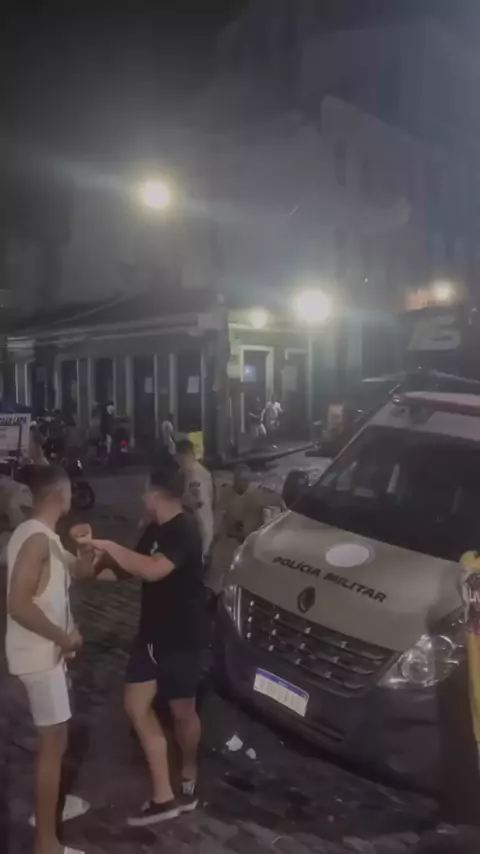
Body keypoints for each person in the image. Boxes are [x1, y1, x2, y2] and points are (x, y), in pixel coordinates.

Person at [91, 463, 209, 826]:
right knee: (136, 706)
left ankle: (188, 770)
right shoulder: (155, 528)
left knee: (182, 713)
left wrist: (110, 545)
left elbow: (155, 569)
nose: (142, 497)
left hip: (182, 638)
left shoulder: (185, 528)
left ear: (156, 494)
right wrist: (87, 568)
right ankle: (163, 796)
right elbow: (131, 568)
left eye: (145, 491)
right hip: (151, 637)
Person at [6, 466, 96, 854]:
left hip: (48, 656)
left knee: (56, 740)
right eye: (70, 491)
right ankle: (46, 842)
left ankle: (52, 804)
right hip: (41, 658)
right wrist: (64, 638)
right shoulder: (36, 541)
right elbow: (17, 605)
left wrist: (86, 546)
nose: (73, 496)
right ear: (60, 495)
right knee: (53, 743)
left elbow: (82, 571)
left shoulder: (45, 537)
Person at [175, 439, 214, 562]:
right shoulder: (189, 472)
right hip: (196, 530)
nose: (179, 463)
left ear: (189, 456)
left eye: (181, 459)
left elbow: (200, 509)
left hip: (199, 532)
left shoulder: (195, 477)